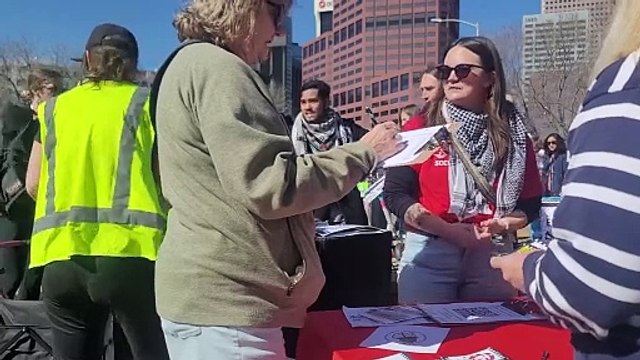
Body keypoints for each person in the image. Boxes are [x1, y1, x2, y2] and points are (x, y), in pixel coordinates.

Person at [152, 1, 401, 359]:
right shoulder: (221, 69)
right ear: (246, 10)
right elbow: (271, 186)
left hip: (206, 298)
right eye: (276, 16)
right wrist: (365, 153)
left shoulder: (186, 66)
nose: (280, 31)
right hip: (229, 307)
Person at [491, 1, 640, 358]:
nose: (452, 78)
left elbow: (593, 288)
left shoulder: (626, 86)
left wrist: (526, 269)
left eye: (464, 69)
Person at [24, 23, 169, 360]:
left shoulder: (53, 110)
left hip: (61, 258)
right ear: (132, 63)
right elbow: (168, 181)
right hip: (132, 256)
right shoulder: (147, 105)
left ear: (88, 59)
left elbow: (33, 184)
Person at [384, 37, 542, 304]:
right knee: (426, 336)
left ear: (490, 78)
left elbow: (531, 204)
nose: (452, 79)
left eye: (463, 70)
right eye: (446, 72)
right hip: (430, 250)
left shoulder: (514, 134)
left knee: (491, 338)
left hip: (491, 253)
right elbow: (396, 195)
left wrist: (501, 224)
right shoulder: (420, 127)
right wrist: (449, 231)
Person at [293, 79, 368, 225]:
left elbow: (371, 144)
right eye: (303, 102)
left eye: (313, 101)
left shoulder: (348, 129)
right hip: (310, 210)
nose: (307, 107)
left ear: (326, 102)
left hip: (348, 210)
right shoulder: (290, 133)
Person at [541, 132, 568, 197]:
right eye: (548, 143)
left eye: (553, 142)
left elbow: (565, 174)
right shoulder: (546, 157)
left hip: (559, 192)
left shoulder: (563, 157)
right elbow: (543, 171)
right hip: (546, 192)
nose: (551, 145)